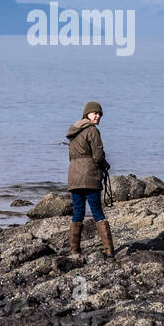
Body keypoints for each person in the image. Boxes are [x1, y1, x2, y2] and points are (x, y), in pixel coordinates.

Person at [65, 101, 114, 258]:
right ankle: (109, 250)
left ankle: (74, 250)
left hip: (74, 177)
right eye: (95, 113)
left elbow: (71, 157)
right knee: (98, 212)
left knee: (78, 212)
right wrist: (105, 166)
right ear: (87, 114)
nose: (98, 116)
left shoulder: (73, 131)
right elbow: (98, 155)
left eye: (100, 114)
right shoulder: (92, 130)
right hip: (90, 177)